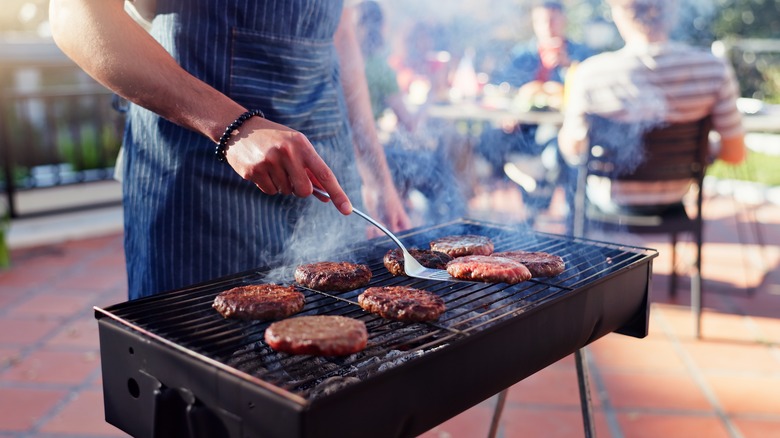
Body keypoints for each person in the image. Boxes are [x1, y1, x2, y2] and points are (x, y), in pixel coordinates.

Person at [49, 0, 410, 299]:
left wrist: (379, 176)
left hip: (326, 171)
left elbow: (342, 32)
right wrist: (233, 126)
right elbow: (76, 16)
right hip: (200, 175)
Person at [557, 0, 746, 214]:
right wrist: (703, 146)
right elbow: (735, 154)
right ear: (673, 13)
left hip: (611, 200)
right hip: (675, 196)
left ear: (619, 15)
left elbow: (573, 150)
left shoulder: (590, 73)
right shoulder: (713, 68)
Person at [354, 1, 466, 224]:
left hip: (354, 153)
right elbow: (411, 124)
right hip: (374, 155)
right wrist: (434, 91)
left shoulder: (349, 63)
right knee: (440, 174)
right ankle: (446, 228)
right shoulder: (380, 67)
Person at [479, 0, 593, 220]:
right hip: (524, 127)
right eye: (541, 20)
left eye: (552, 19)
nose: (547, 26)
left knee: (561, 155)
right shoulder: (522, 54)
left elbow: (590, 89)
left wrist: (568, 65)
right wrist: (510, 110)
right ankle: (523, 206)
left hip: (563, 128)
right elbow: (504, 91)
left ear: (563, 21)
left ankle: (570, 220)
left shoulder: (579, 53)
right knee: (488, 141)